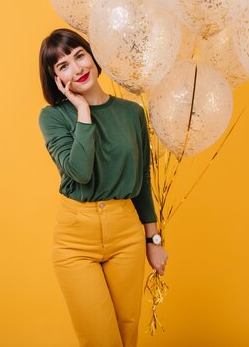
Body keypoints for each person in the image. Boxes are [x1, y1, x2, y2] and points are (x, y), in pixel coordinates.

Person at [38, 28, 169, 347]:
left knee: (127, 332)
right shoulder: (53, 117)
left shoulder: (131, 113)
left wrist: (153, 239)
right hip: (75, 241)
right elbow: (79, 172)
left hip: (126, 234)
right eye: (63, 65)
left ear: (94, 55)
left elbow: (141, 182)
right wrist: (83, 111)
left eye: (79, 55)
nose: (77, 68)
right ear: (55, 78)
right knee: (101, 340)